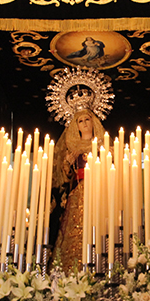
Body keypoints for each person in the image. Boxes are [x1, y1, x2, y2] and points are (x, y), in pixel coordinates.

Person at [49, 109, 105, 273]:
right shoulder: (71, 148)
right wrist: (67, 163)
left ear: (93, 121)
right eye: (80, 121)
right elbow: (65, 179)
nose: (85, 123)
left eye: (87, 119)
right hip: (78, 194)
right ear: (76, 126)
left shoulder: (104, 146)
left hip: (98, 192)